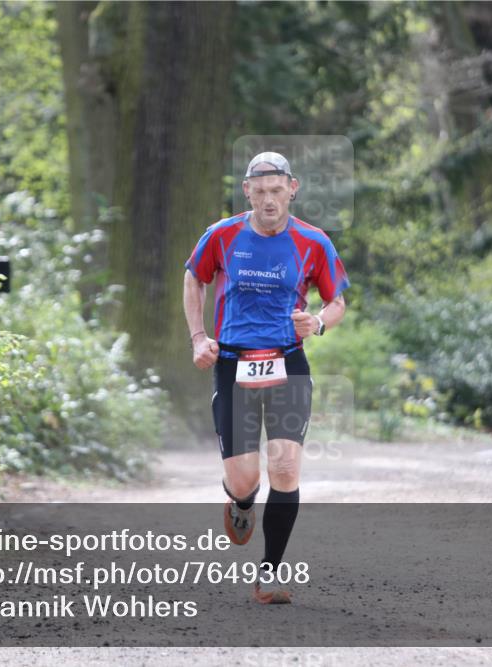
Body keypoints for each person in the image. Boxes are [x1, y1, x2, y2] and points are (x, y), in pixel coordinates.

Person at [182, 151, 349, 604]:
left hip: (287, 361)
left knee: (286, 467)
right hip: (234, 363)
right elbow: (194, 278)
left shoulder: (314, 242)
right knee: (244, 480)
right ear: (247, 192)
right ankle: (239, 504)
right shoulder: (221, 235)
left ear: (292, 189)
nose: (269, 200)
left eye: (277, 191)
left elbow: (337, 301)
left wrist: (317, 323)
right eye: (261, 192)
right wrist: (200, 337)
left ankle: (270, 573)